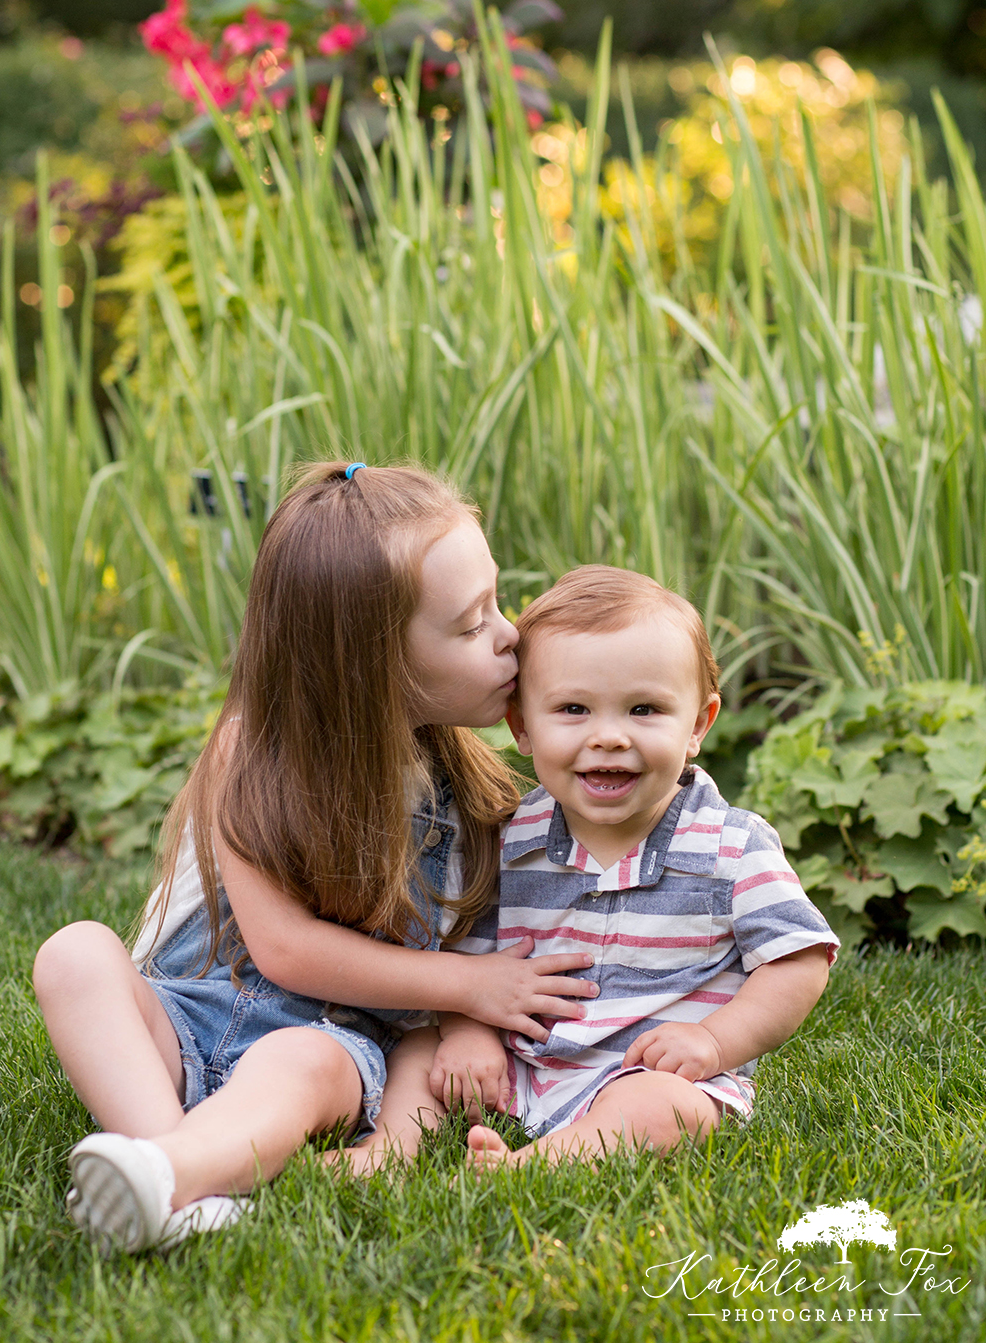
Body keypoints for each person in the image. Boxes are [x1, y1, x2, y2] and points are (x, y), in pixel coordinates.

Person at [32, 463, 599, 1251]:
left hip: (327, 1048)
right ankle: (175, 1172)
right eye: (471, 625)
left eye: (494, 604)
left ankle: (169, 1175)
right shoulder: (253, 752)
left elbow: (422, 1024)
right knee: (73, 955)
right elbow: (285, 949)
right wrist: (470, 984)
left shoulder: (462, 788)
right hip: (185, 1023)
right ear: (369, 665)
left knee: (293, 1058)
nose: (509, 635)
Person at [367, 564, 839, 1169]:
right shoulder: (511, 840)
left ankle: (533, 1165)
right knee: (419, 1049)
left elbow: (796, 963)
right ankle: (389, 1149)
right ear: (522, 727)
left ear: (698, 724)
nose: (609, 737)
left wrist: (713, 1040)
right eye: (573, 709)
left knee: (667, 1111)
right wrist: (470, 1034)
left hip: (651, 1070)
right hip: (524, 1063)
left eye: (643, 710)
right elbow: (466, 956)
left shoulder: (731, 846)